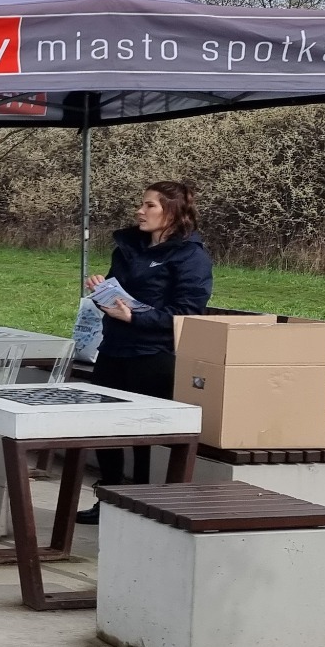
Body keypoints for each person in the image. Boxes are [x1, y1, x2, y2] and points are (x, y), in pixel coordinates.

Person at [77, 180, 213, 523]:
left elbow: (188, 313)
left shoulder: (190, 256)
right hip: (113, 349)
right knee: (102, 427)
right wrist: (102, 291)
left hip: (154, 355)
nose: (140, 211)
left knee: (140, 433)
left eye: (150, 205)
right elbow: (119, 294)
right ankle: (107, 500)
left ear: (173, 212)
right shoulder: (127, 247)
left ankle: (137, 503)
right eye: (142, 204)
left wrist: (136, 317)